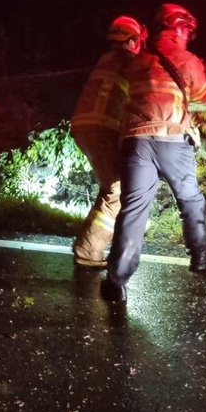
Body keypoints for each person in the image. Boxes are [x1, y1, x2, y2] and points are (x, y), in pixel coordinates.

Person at [101, 3, 206, 302]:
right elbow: (205, 94)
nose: (187, 37)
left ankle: (116, 280)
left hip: (136, 141)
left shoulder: (138, 59)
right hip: (172, 140)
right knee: (190, 198)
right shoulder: (188, 59)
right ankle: (201, 255)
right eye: (187, 31)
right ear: (179, 28)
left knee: (134, 210)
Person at [70, 16, 147, 267]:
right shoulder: (128, 61)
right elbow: (146, 87)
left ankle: (88, 246)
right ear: (133, 40)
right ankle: (88, 251)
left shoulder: (108, 59)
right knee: (117, 188)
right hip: (100, 128)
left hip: (89, 127)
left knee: (111, 186)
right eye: (139, 42)